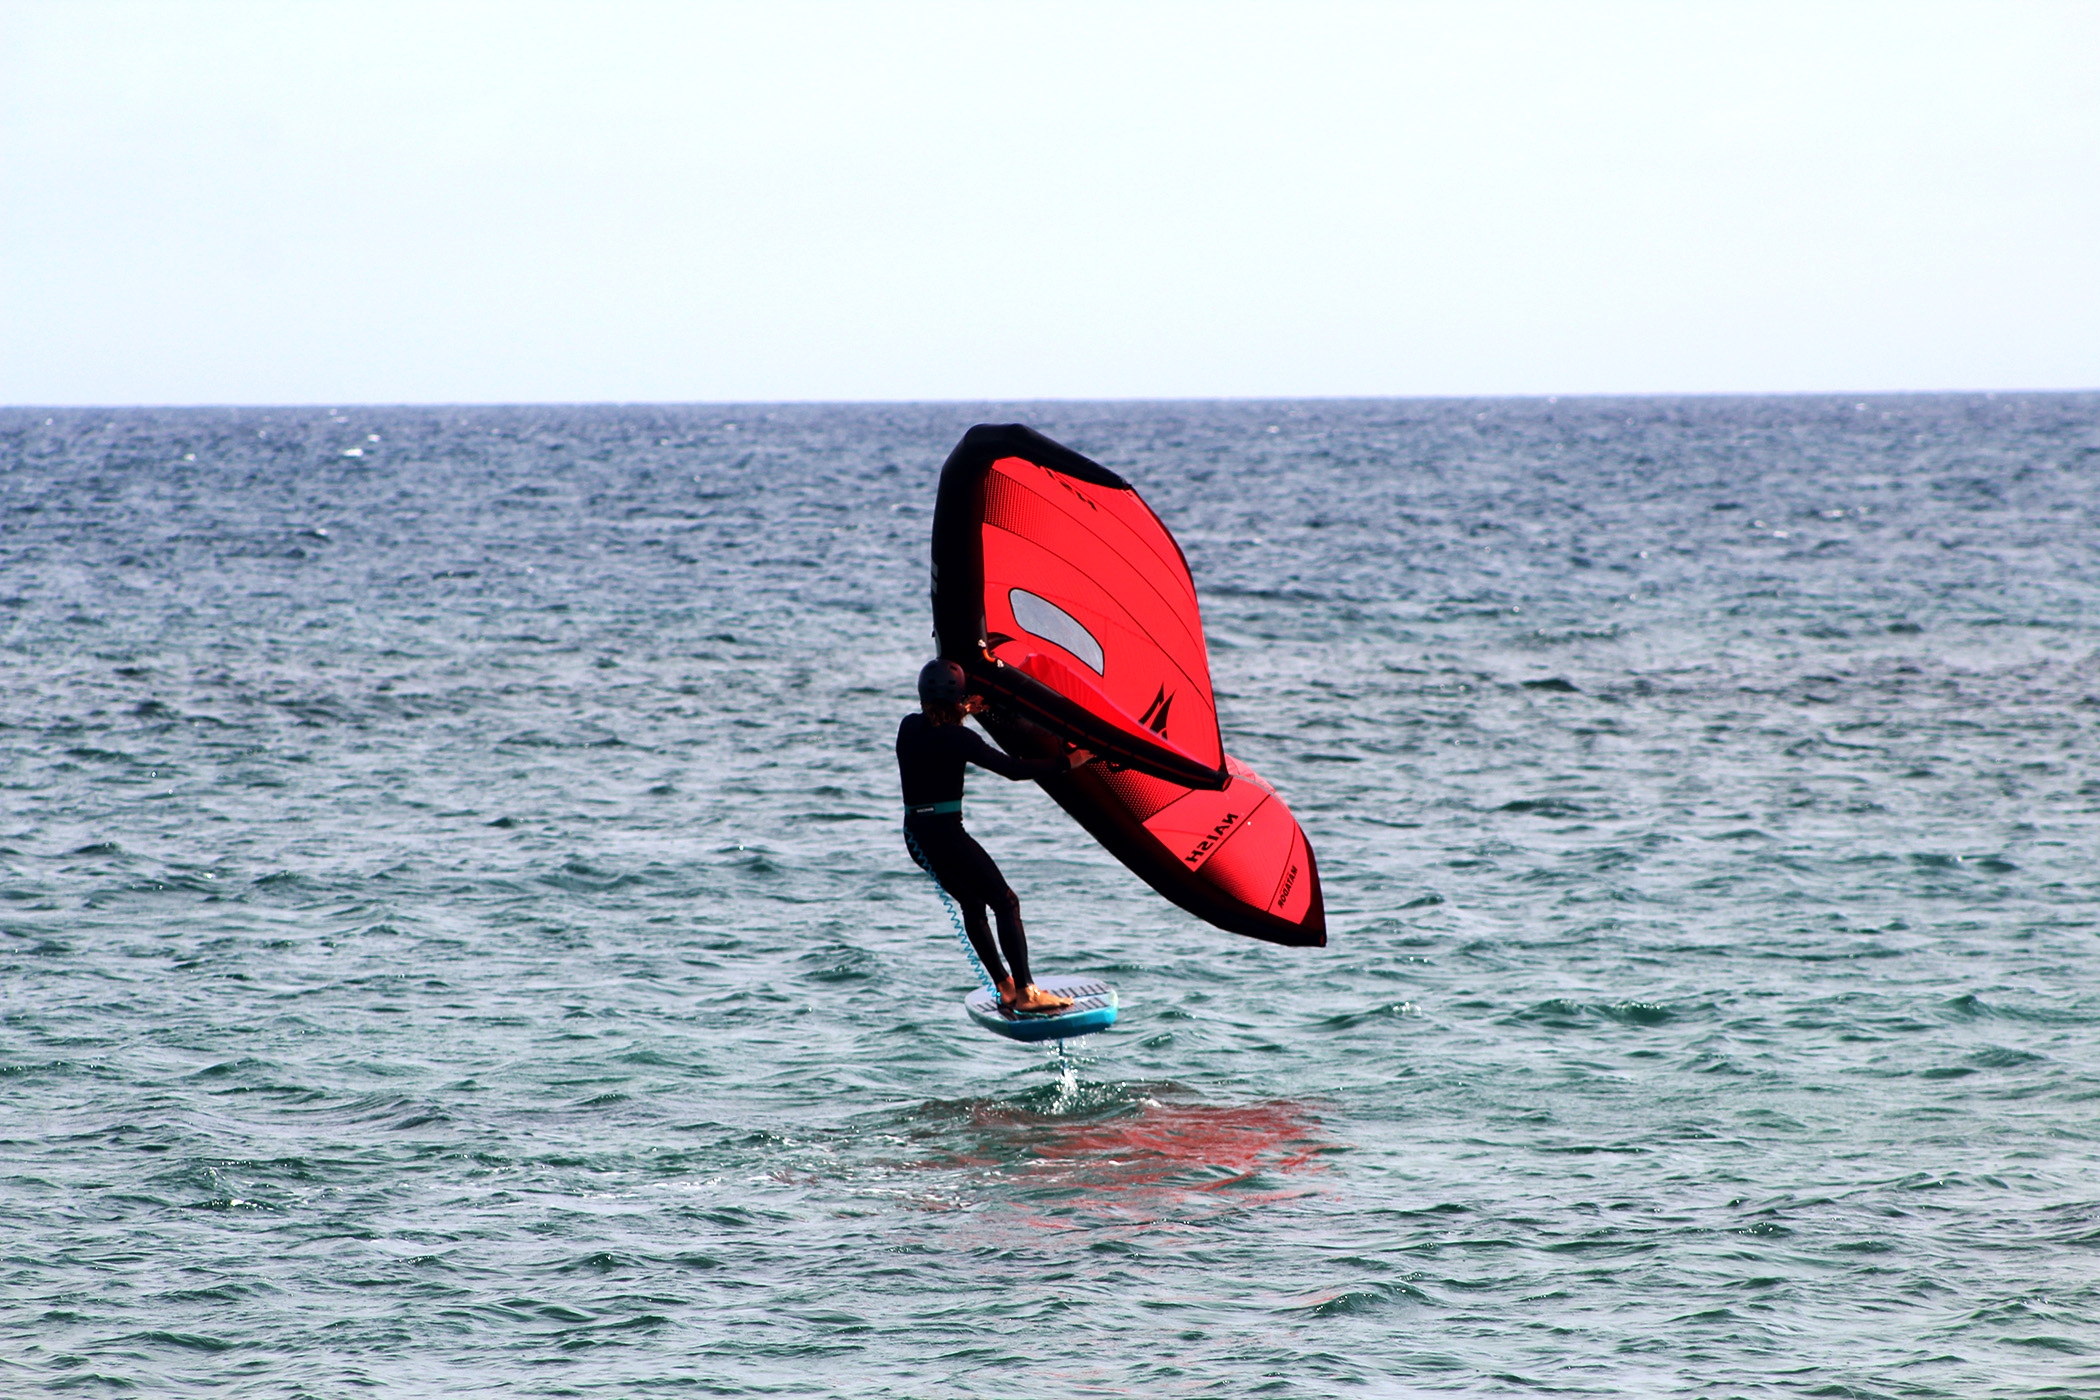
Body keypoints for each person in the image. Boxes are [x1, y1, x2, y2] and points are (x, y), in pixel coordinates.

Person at [898, 659, 1092, 1014]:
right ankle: (1028, 992)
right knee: (1005, 902)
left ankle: (1005, 988)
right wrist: (1068, 762)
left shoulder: (908, 727)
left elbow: (936, 729)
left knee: (973, 904)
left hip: (916, 837)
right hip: (946, 836)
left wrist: (963, 710)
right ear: (959, 697)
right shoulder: (960, 738)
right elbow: (1014, 769)